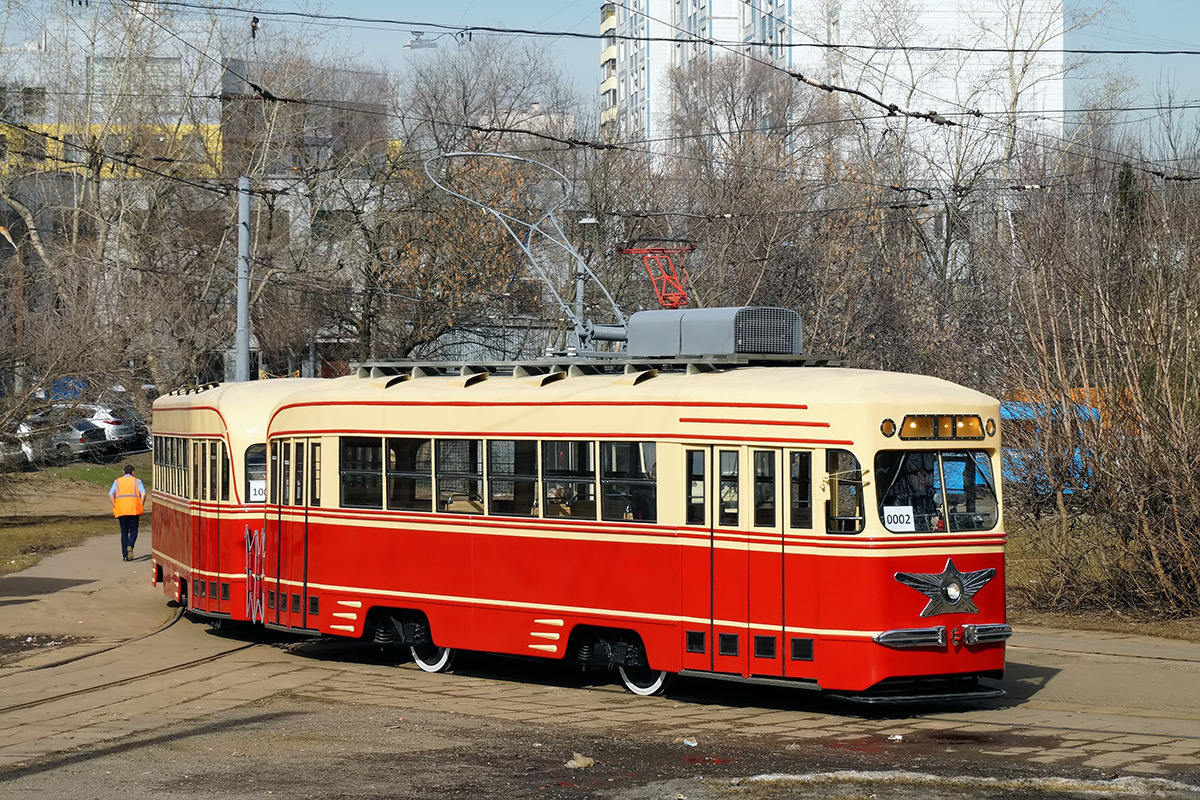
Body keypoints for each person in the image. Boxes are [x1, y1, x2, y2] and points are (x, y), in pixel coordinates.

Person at [109, 464, 146, 561]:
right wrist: (141, 504)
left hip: (121, 509)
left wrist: (114, 504)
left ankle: (125, 555)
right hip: (134, 509)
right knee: (133, 530)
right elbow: (143, 493)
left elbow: (111, 494)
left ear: (123, 472)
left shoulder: (117, 481)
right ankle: (130, 545)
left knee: (124, 532)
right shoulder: (137, 481)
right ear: (133, 472)